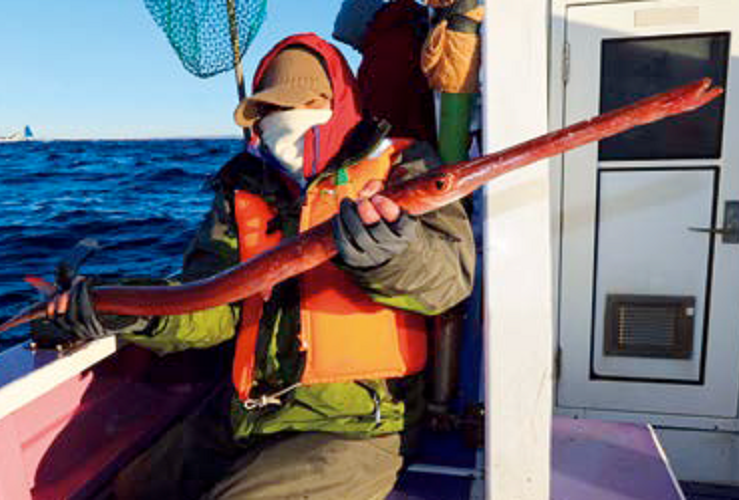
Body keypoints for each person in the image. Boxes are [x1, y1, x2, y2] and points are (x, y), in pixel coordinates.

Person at [45, 33, 475, 500]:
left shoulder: (405, 167)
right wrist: (119, 309)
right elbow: (208, 305)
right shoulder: (243, 189)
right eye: (271, 110)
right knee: (128, 490)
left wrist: (393, 254)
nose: (285, 120)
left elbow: (451, 281)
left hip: (358, 426)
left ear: (341, 102)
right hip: (246, 413)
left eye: (306, 103)